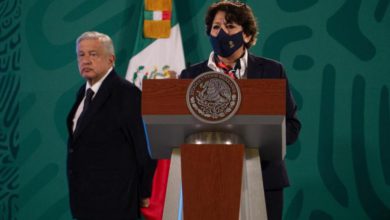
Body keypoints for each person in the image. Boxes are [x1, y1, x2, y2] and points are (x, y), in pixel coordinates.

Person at [179, 2, 301, 220]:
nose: (221, 33)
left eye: (230, 26)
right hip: (207, 178)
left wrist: (260, 139)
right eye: (216, 27)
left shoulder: (272, 71)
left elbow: (291, 127)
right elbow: (179, 127)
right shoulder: (190, 76)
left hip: (263, 177)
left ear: (246, 35)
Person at [66, 31, 156, 220]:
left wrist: (144, 191)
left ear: (111, 59)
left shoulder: (127, 94)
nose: (86, 60)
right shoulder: (83, 92)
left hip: (116, 204)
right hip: (84, 203)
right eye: (81, 54)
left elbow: (145, 149)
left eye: (93, 54)